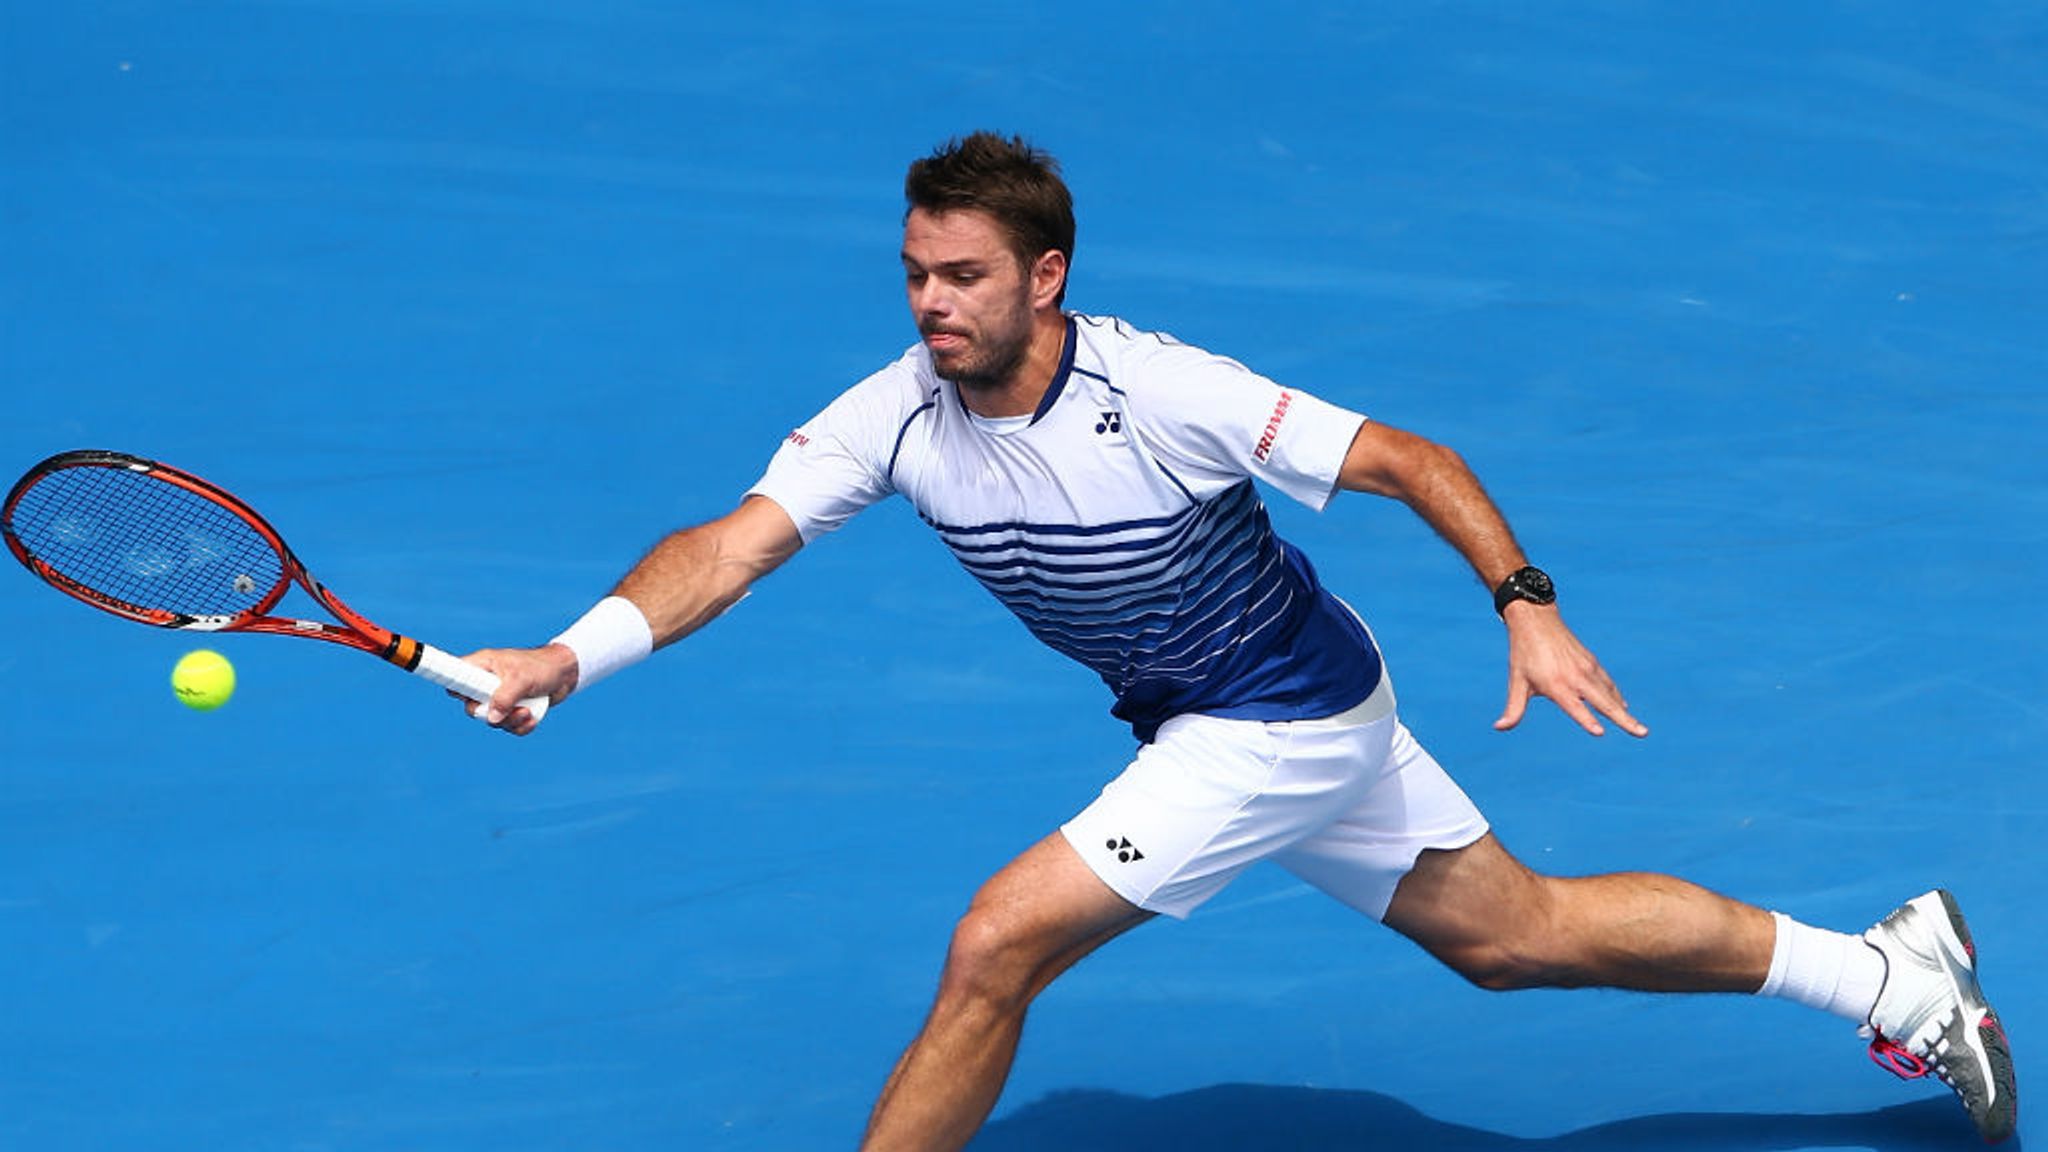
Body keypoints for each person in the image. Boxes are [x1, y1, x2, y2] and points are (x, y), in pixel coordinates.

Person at [462, 132, 2018, 1150]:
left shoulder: (1168, 389)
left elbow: (1411, 458)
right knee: (1517, 939)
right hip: (1250, 715)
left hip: (1274, 721)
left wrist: (1527, 609)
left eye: (963, 278)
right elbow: (728, 549)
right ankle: (1886, 973)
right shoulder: (893, 416)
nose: (930, 306)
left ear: (1046, 278)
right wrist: (567, 653)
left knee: (997, 946)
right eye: (916, 276)